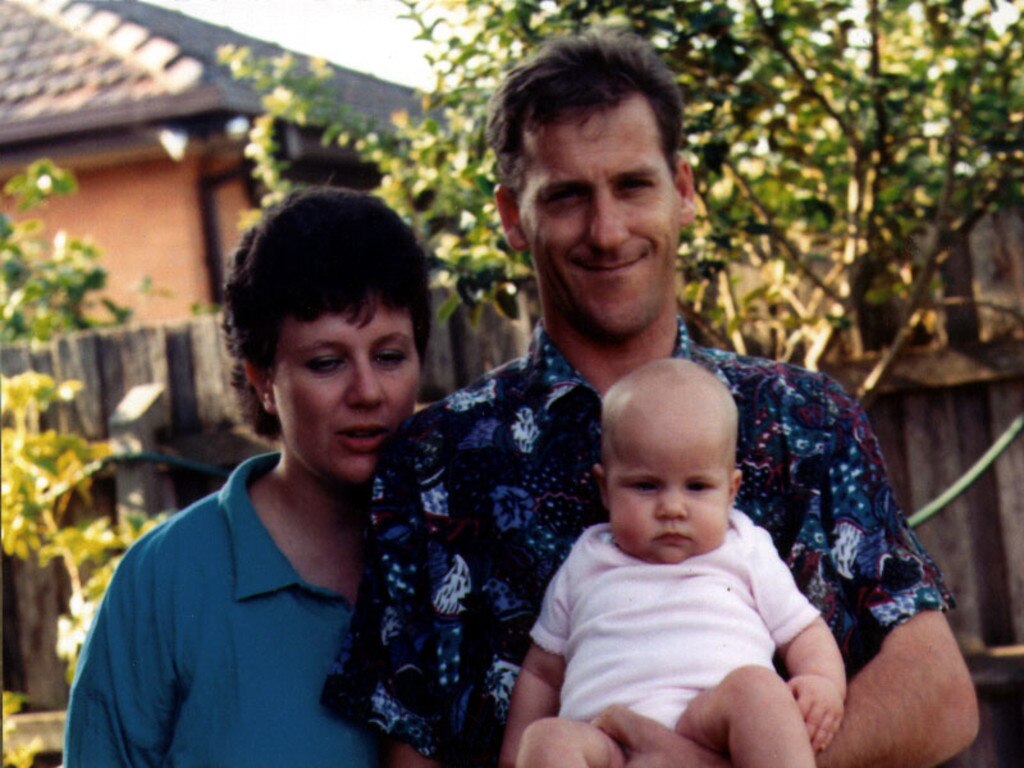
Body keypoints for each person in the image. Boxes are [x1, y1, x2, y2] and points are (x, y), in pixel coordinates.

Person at [322, 28, 977, 768]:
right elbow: (414, 748)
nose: (607, 231)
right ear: (512, 217)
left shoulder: (806, 420)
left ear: (684, 191)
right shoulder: (435, 463)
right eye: (567, 196)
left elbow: (939, 694)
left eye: (633, 185)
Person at [63, 187, 431, 767]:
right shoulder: (166, 582)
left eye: (389, 356)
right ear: (262, 378)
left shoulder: (465, 551)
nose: (368, 392)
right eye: (326, 363)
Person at [499, 359, 846, 768]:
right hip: (605, 740)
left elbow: (803, 630)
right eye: (646, 486)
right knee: (545, 739)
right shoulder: (586, 560)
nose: (672, 508)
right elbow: (542, 672)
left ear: (731, 490)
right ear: (605, 488)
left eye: (697, 486)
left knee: (759, 691)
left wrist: (823, 683)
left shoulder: (744, 548)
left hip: (712, 724)